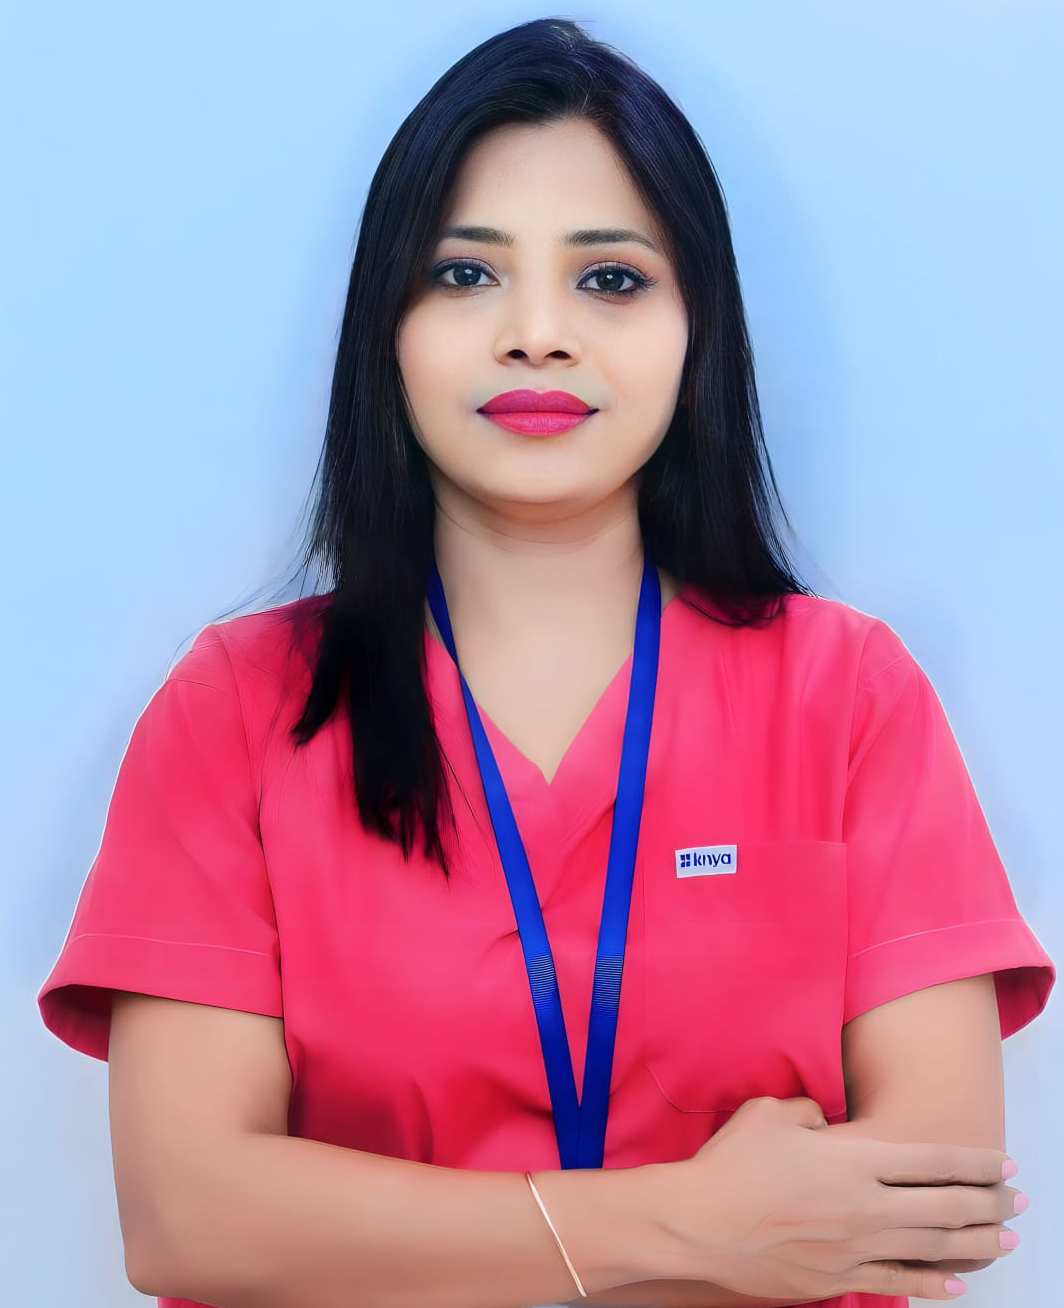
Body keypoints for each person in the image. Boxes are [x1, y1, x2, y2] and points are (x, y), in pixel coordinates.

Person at [37, 16, 1054, 1308]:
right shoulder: (241, 706)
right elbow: (189, 1220)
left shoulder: (844, 692)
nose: (536, 333)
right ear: (386, 325)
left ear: (699, 330)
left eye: (611, 279)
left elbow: (934, 1207)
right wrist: (694, 1223)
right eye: (465, 274)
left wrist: (395, 1235)